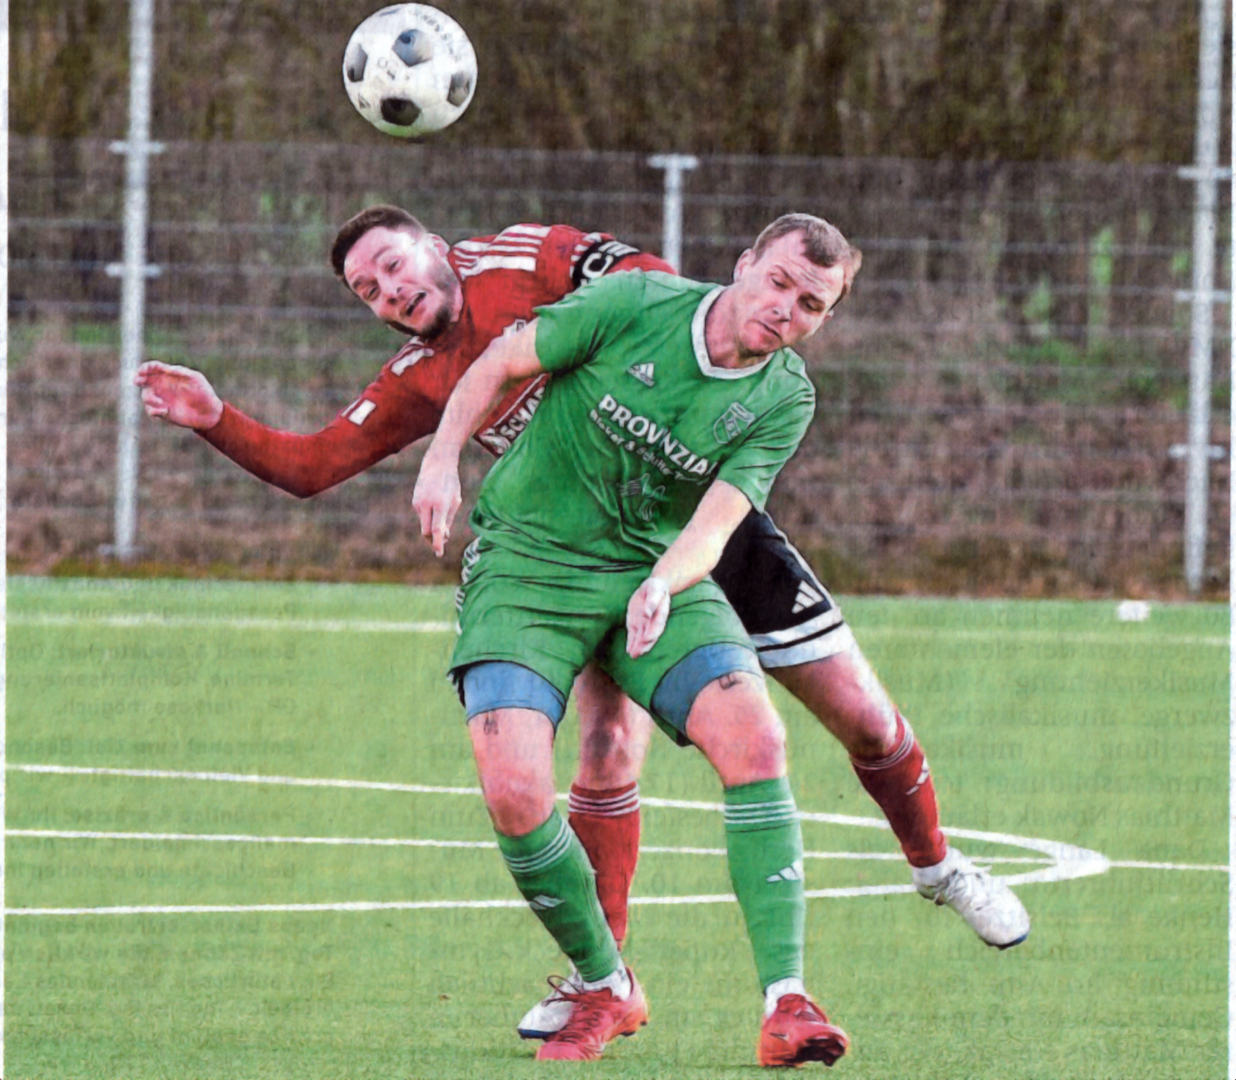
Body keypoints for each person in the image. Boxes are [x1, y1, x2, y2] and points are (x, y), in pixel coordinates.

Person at [137, 205, 1029, 1050]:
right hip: (579, 549)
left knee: (864, 719)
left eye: (395, 265)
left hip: (704, 522)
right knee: (605, 748)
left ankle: (938, 866)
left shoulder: (527, 259)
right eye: (367, 290)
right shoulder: (422, 379)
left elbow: (654, 289)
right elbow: (314, 463)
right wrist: (217, 419)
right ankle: (599, 982)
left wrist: (622, 356)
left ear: (438, 245)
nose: (391, 291)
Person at [411, 212, 861, 1065]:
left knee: (757, 740)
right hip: (528, 564)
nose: (786, 310)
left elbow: (720, 520)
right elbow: (501, 360)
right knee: (515, 792)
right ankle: (606, 983)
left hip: (649, 575)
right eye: (778, 284)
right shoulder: (635, 302)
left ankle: (787, 1004)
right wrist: (443, 457)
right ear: (744, 265)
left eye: (811, 304)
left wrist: (665, 580)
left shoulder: (784, 396)